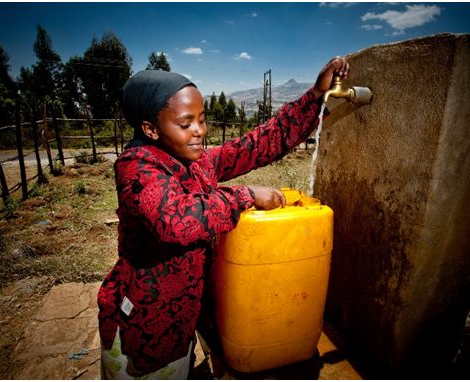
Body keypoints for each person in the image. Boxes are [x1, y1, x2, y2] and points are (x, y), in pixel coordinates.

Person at [98, 56, 350, 379]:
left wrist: (314, 96)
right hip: (143, 327)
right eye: (185, 123)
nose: (199, 131)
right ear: (151, 129)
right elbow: (176, 220)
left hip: (184, 319)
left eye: (201, 120)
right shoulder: (136, 167)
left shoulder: (197, 161)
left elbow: (256, 145)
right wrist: (246, 195)